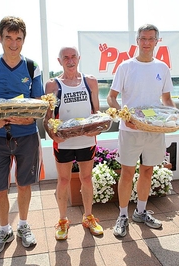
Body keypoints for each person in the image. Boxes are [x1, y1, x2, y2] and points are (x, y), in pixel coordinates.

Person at [0, 16, 44, 253]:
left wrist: (29, 117)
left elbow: (40, 104)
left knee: (25, 185)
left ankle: (23, 225)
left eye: (18, 38)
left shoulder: (33, 67)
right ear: (0, 38)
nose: (13, 44)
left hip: (27, 136)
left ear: (24, 40)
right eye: (8, 38)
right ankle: (4, 228)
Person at [107, 24, 176, 237]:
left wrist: (176, 117)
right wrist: (124, 117)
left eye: (151, 39)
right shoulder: (125, 67)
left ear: (157, 41)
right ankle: (122, 216)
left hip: (154, 131)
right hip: (130, 131)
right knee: (127, 173)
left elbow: (167, 100)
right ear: (137, 41)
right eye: (143, 38)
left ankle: (141, 211)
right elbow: (111, 97)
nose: (146, 43)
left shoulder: (163, 68)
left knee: (147, 171)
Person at [43, 46, 103, 240]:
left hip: (86, 140)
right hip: (64, 143)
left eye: (73, 57)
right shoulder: (53, 85)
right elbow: (47, 118)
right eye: (65, 58)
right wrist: (53, 135)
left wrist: (98, 127)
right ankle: (62, 220)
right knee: (63, 181)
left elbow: (96, 113)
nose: (70, 60)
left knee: (86, 179)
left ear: (79, 58)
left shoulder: (90, 81)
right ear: (59, 61)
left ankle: (88, 217)